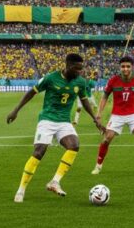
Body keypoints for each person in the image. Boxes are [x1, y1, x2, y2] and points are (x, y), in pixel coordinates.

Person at [6, 53, 104, 203]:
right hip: (47, 119)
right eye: (77, 69)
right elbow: (31, 92)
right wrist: (16, 110)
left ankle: (55, 181)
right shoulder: (51, 78)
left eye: (81, 69)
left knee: (74, 145)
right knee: (39, 152)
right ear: (68, 66)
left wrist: (95, 119)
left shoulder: (80, 82)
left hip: (64, 121)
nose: (80, 72)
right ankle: (21, 189)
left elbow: (84, 101)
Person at [92, 56, 134, 175]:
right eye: (123, 66)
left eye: (128, 66)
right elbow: (105, 96)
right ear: (119, 67)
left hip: (133, 114)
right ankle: (98, 166)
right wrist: (99, 112)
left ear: (132, 67)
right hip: (117, 115)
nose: (125, 69)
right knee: (106, 139)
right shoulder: (113, 80)